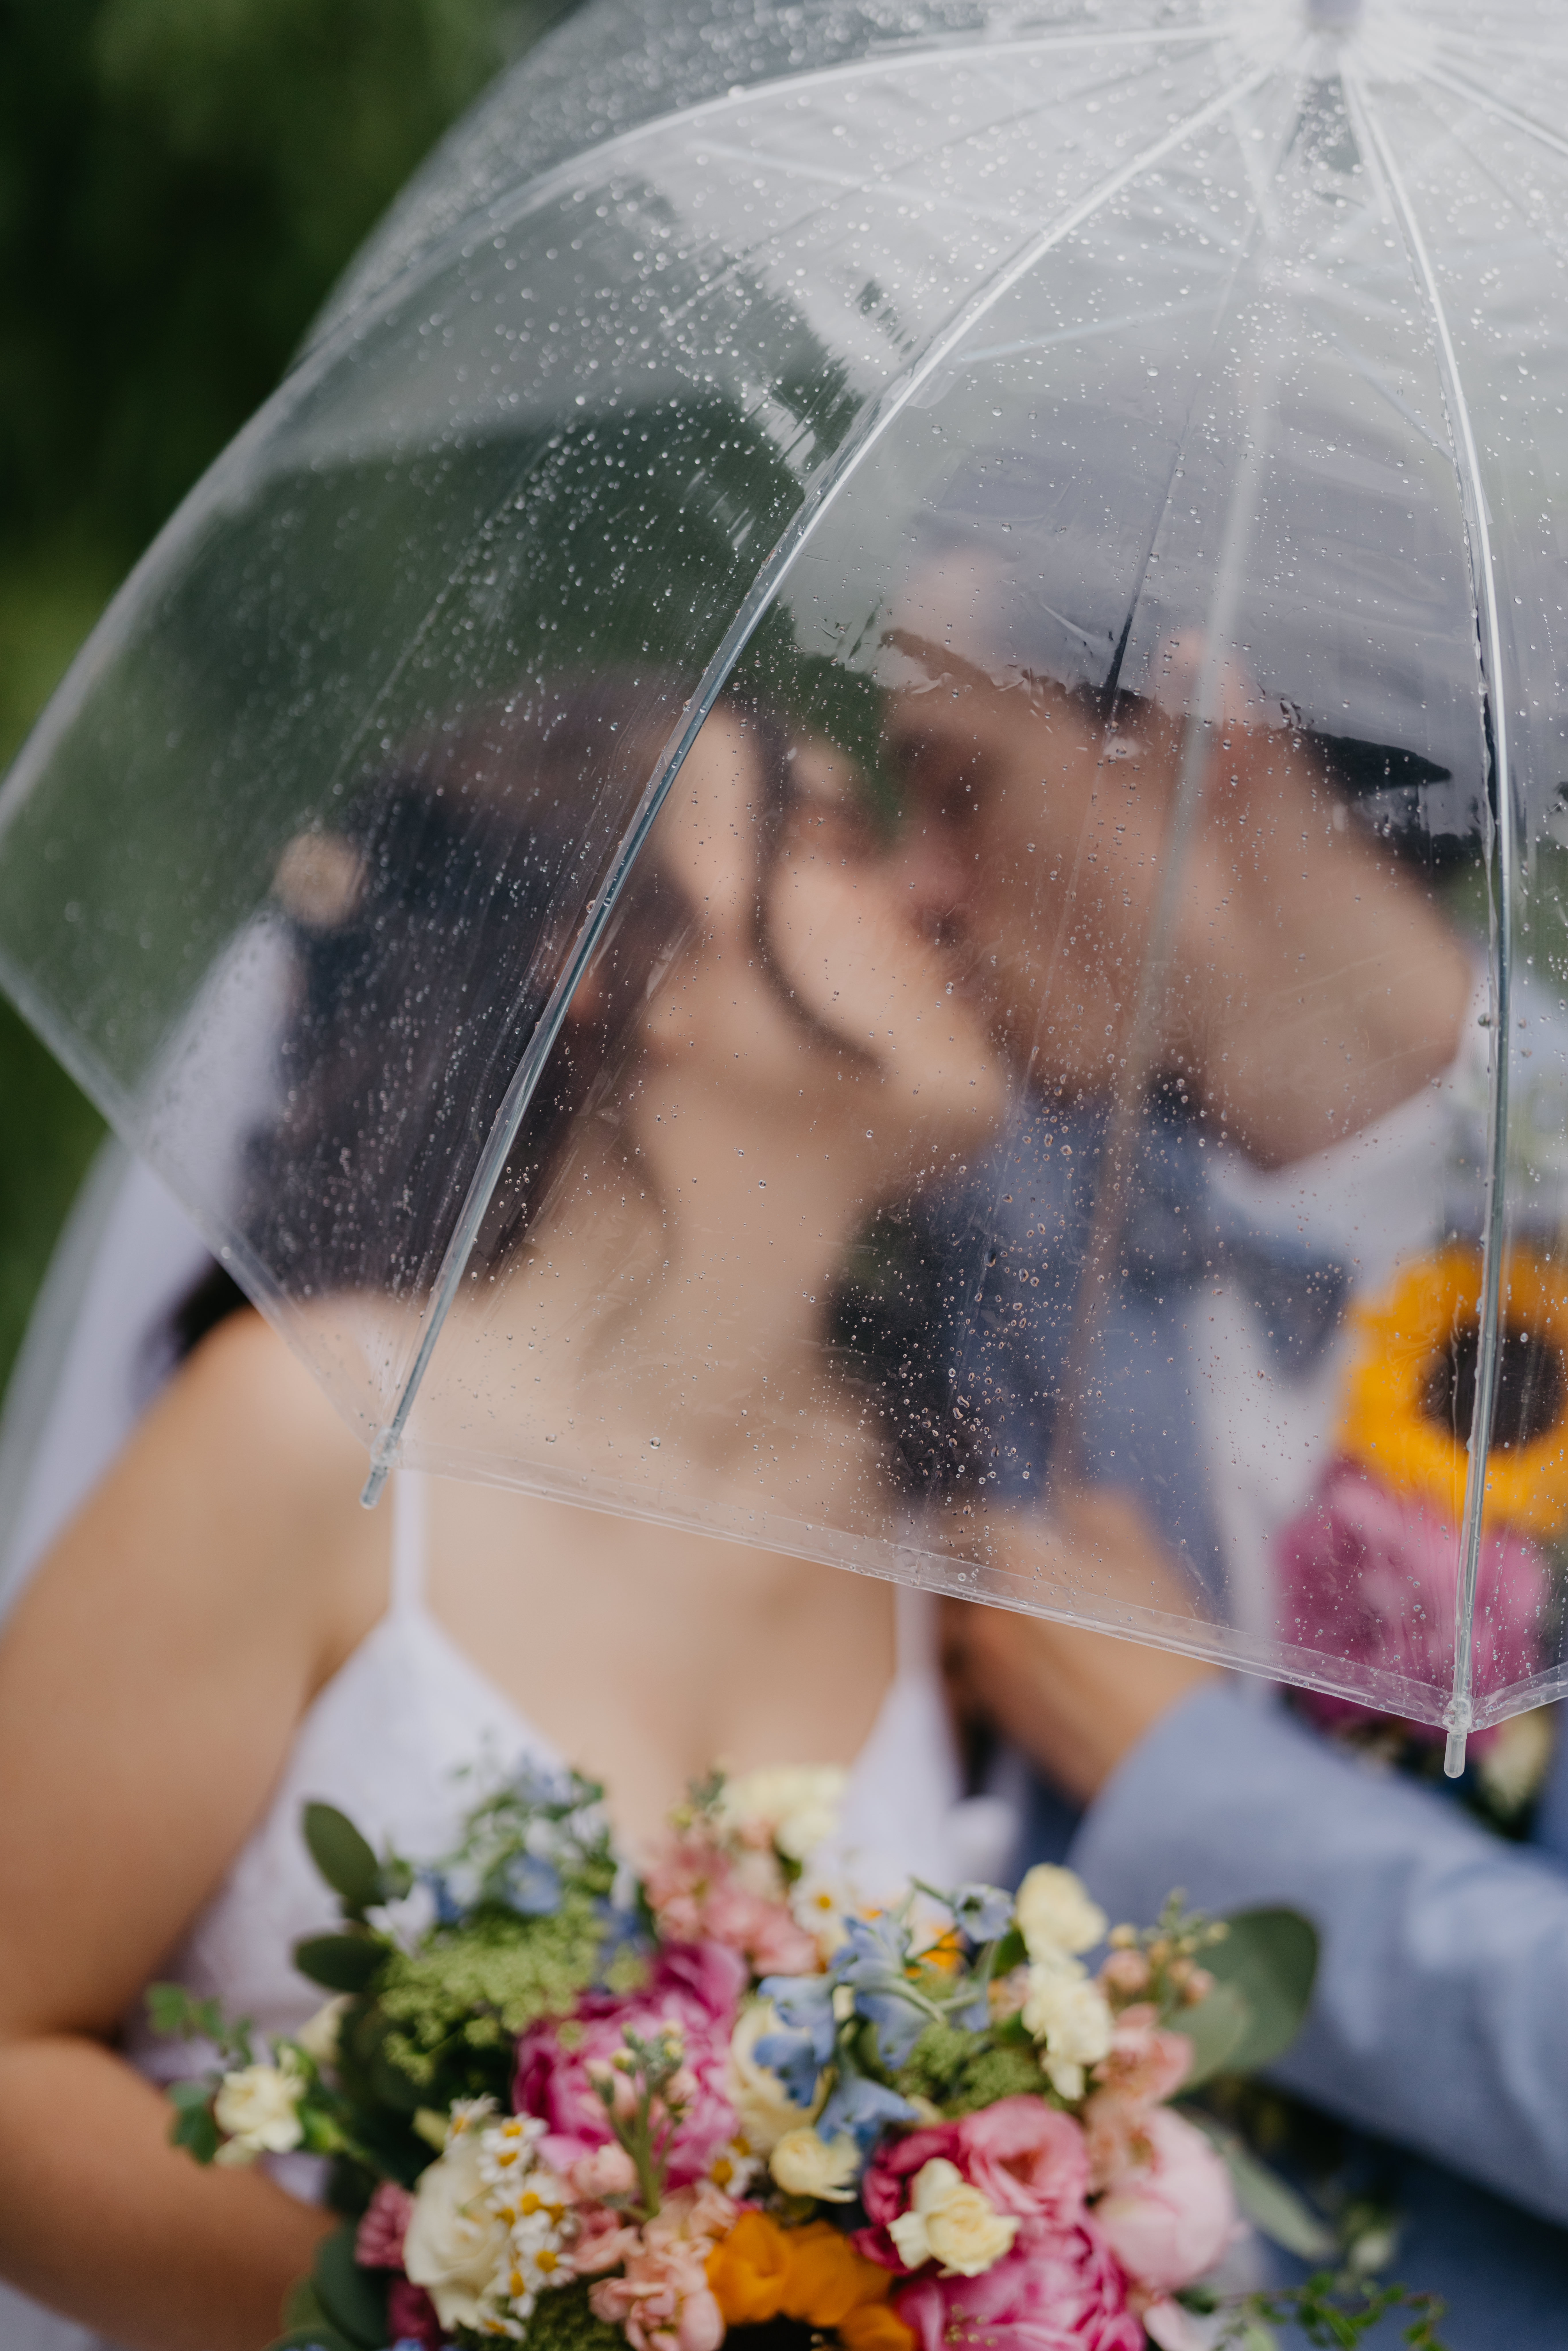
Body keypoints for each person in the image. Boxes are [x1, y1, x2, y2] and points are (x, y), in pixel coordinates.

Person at [0, 680, 1010, 2351]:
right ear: (612, 963)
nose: (934, 893)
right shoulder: (307, 1433)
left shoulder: (945, 1542)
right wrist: (489, 2308)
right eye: (832, 844)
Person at [880, 570, 1568, 2342]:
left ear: (1196, 736)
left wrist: (1183, 1773)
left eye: (961, 785)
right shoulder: (957, 1235)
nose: (915, 885)